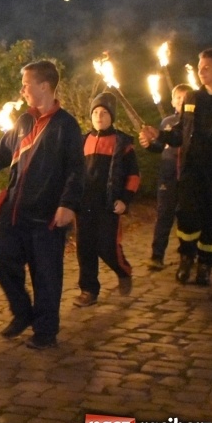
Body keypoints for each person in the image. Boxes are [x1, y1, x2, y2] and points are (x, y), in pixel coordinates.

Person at [0, 60, 84, 350]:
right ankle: (23, 313)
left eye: (26, 83)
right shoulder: (23, 122)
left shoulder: (66, 126)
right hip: (15, 213)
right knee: (2, 258)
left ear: (44, 86)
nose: (22, 89)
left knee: (46, 275)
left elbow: (76, 170)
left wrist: (67, 204)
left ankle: (45, 333)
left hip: (46, 217)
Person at [139, 48, 212, 286]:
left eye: (207, 67)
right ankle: (186, 257)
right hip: (192, 171)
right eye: (199, 68)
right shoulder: (192, 98)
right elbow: (179, 133)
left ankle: (205, 265)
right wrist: (160, 134)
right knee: (187, 217)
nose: (201, 72)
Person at [73, 92, 140, 307]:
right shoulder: (82, 141)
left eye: (103, 112)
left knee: (106, 246)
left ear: (112, 116)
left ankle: (123, 271)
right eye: (95, 112)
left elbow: (133, 176)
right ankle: (88, 290)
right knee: (85, 248)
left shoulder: (122, 144)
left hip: (108, 205)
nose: (99, 116)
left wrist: (125, 200)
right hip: (84, 206)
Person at [145, 84, 193, 270]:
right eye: (178, 97)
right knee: (164, 214)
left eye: (185, 97)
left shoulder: (193, 121)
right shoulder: (166, 122)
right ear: (172, 101)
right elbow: (159, 146)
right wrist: (149, 145)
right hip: (168, 174)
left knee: (186, 216)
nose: (181, 101)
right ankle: (157, 255)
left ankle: (186, 254)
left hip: (188, 174)